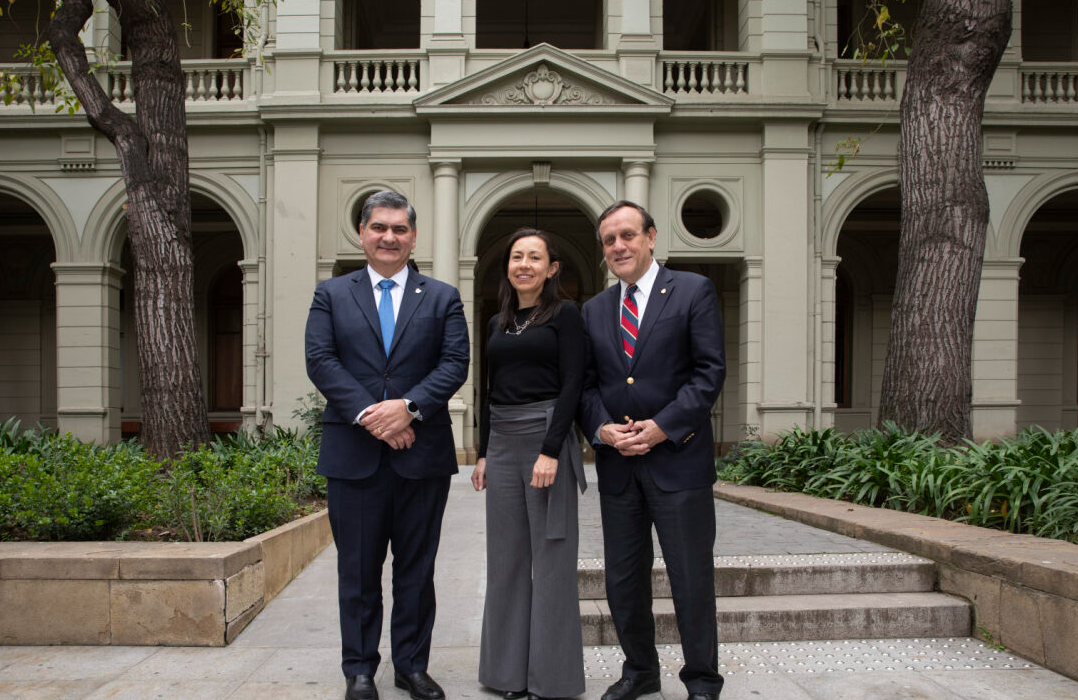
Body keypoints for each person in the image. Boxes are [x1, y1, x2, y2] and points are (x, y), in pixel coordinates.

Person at [305, 190, 469, 700]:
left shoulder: (442, 296)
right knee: (357, 570)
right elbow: (321, 360)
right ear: (363, 233)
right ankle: (359, 669)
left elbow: (454, 363)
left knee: (416, 571)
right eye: (380, 227)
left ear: (413, 236)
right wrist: (375, 417)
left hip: (422, 457)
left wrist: (409, 408)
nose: (389, 237)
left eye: (399, 229)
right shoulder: (331, 294)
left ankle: (411, 667)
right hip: (354, 457)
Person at [579, 201, 726, 700]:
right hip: (619, 468)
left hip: (678, 461)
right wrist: (601, 429)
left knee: (690, 577)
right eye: (609, 241)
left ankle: (703, 679)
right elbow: (586, 388)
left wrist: (663, 427)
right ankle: (640, 671)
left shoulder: (691, 290)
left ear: (650, 237)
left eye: (627, 235)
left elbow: (709, 373)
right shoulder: (594, 309)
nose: (618, 246)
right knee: (622, 580)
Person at [470, 227, 587, 700]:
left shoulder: (565, 314)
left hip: (545, 438)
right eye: (517, 256)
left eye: (534, 257)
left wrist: (552, 450)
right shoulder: (498, 322)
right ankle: (504, 676)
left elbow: (573, 384)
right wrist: (481, 452)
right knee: (506, 561)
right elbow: (490, 388)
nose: (524, 264)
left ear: (551, 268)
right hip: (500, 444)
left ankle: (552, 680)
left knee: (552, 560)